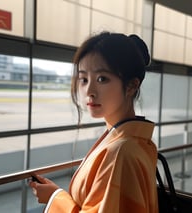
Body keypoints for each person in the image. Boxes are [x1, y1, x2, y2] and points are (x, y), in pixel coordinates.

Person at [29, 32, 158, 212]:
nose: (89, 90)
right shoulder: (132, 142)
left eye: (102, 79)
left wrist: (55, 198)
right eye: (84, 79)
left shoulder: (120, 151)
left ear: (131, 86)